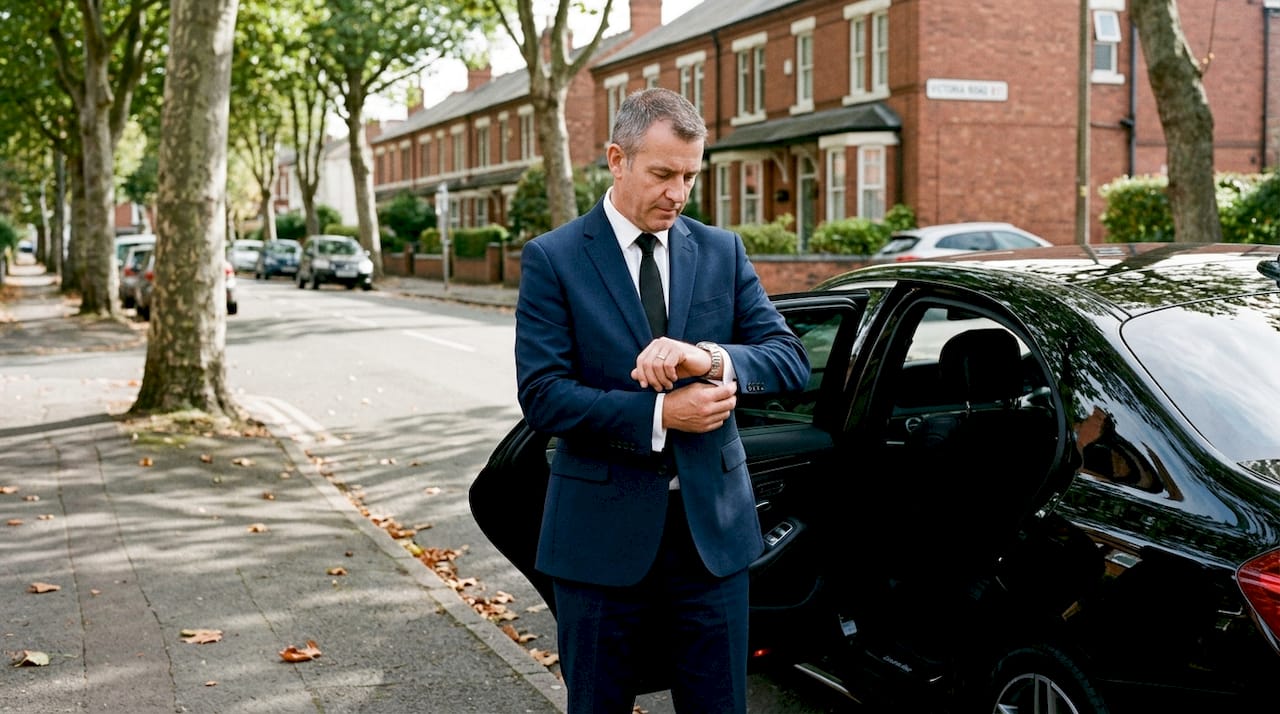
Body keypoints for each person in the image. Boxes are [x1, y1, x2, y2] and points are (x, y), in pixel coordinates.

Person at [514, 87, 811, 713]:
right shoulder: (554, 258)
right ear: (617, 160)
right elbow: (543, 396)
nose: (678, 193)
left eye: (690, 176)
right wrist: (658, 415)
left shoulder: (721, 250)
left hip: (713, 540)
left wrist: (708, 358)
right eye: (663, 174)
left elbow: (789, 359)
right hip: (598, 542)